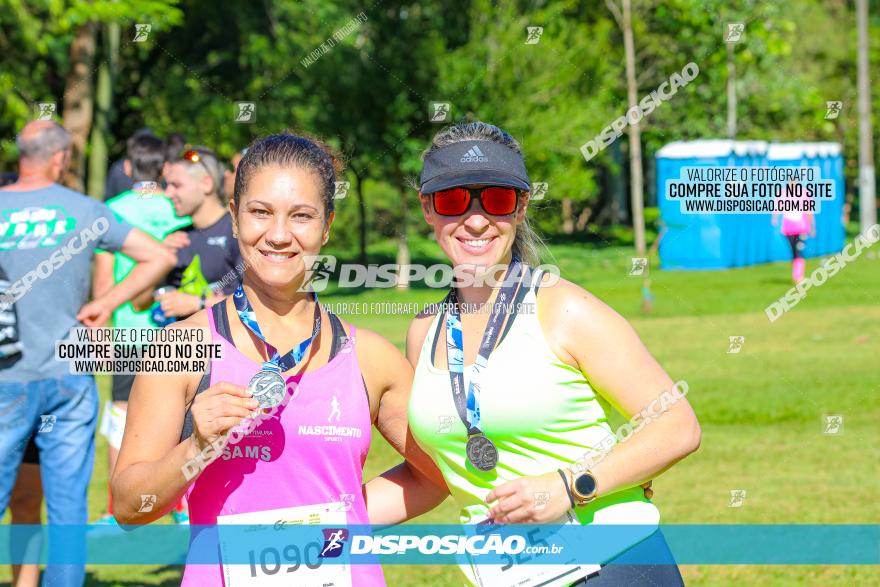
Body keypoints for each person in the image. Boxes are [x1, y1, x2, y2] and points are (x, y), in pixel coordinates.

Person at [110, 133, 442, 586]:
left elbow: (437, 475)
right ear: (233, 216)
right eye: (260, 212)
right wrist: (196, 449)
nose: (279, 235)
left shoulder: (369, 358)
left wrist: (336, 524)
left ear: (327, 225)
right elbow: (131, 508)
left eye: (301, 216)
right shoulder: (177, 349)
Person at [404, 121, 701, 586]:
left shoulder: (565, 308)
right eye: (453, 198)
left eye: (498, 199)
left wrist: (571, 485)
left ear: (520, 207)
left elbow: (677, 425)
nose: (477, 219)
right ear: (428, 208)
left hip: (613, 567)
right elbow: (430, 473)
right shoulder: (424, 331)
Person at [0, 120, 176, 587]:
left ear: (23, 154)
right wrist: (106, 304)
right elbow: (158, 256)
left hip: (5, 381)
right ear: (59, 159)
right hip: (68, 378)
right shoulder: (83, 210)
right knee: (67, 507)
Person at [91, 133, 192, 524]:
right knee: (182, 415)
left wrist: (100, 333)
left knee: (121, 413)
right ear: (164, 169)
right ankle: (182, 507)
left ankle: (116, 506)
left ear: (129, 167)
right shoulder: (177, 207)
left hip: (128, 332)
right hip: (176, 330)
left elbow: (102, 280)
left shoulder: (110, 210)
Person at [133, 146, 240, 319]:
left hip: (228, 344)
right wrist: (160, 257)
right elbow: (138, 303)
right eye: (167, 186)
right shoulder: (175, 238)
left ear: (206, 184)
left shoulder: (236, 231)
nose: (168, 193)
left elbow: (259, 303)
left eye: (176, 185)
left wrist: (198, 303)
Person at [772, 180, 815, 283]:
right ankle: (796, 276)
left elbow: (808, 210)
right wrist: (774, 218)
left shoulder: (804, 193)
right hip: (788, 228)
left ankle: (799, 276)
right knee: (794, 251)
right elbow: (777, 207)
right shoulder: (783, 193)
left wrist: (811, 227)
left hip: (802, 228)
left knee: (799, 249)